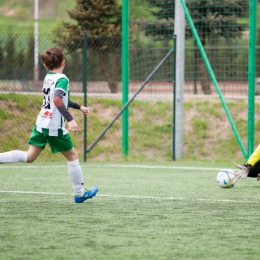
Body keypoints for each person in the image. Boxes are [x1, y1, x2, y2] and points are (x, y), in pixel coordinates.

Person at [0, 46, 98, 203]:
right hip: (54, 128)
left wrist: (79, 107)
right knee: (73, 157)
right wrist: (70, 119)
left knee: (29, 156)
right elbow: (57, 100)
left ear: (45, 66)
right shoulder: (62, 79)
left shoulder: (48, 78)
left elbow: (61, 100)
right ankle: (80, 194)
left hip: (41, 124)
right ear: (64, 62)